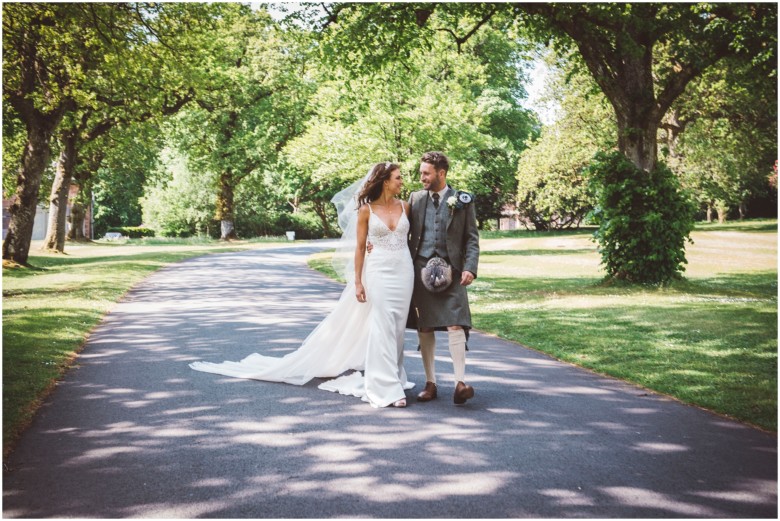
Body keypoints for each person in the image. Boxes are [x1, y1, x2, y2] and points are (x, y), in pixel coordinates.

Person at [189, 162, 414, 408]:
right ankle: (385, 386)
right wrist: (358, 282)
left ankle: (394, 376)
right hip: (378, 273)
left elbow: (412, 240)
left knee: (398, 328)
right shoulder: (366, 211)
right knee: (381, 326)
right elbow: (360, 248)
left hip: (404, 272)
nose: (401, 181)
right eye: (398, 177)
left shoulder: (406, 207)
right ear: (384, 181)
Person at [407, 151, 480, 405]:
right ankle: (431, 384)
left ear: (441, 173)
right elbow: (399, 230)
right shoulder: (415, 199)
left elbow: (471, 237)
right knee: (424, 325)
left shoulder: (462, 200)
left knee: (455, 323)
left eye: (426, 173)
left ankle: (460, 383)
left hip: (454, 273)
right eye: (421, 173)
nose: (422, 177)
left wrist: (470, 267)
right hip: (421, 271)